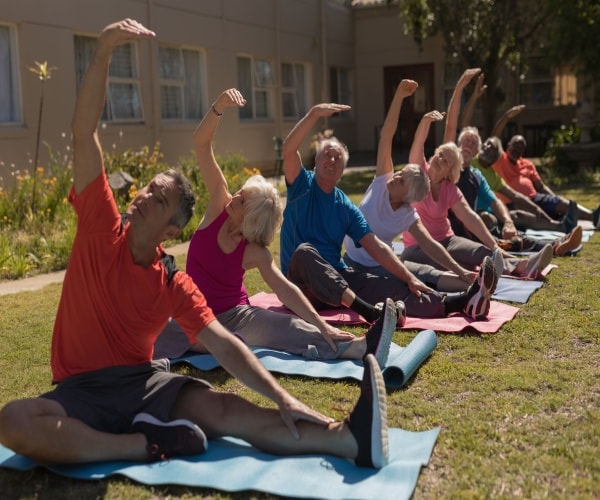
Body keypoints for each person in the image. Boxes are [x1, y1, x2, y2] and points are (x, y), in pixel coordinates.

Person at [0, 19, 394, 470]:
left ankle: (347, 437)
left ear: (172, 230)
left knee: (227, 409)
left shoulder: (173, 281)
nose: (145, 196)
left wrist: (285, 393)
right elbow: (83, 131)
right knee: (14, 419)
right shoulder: (99, 226)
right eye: (148, 189)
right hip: (80, 390)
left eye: (160, 198)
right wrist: (104, 48)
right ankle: (143, 444)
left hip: (144, 382)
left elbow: (226, 344)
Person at [154, 88, 397, 368]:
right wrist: (219, 106)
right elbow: (201, 144)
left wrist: (322, 325)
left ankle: (359, 347)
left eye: (242, 200)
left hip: (235, 316)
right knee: (150, 328)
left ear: (252, 220)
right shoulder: (219, 204)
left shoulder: (254, 251)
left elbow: (285, 290)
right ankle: (208, 344)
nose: (234, 197)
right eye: (240, 192)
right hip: (192, 313)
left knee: (285, 326)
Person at [280, 100, 498, 323]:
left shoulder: (345, 206)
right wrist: (314, 114)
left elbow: (377, 247)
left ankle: (461, 302)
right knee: (305, 252)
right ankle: (369, 311)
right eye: (327, 154)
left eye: (338, 158)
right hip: (299, 286)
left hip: (337, 280)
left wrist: (409, 278)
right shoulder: (301, 186)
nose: (332, 160)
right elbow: (288, 149)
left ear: (342, 171)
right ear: (316, 160)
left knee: (391, 284)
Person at [342, 78, 478, 293]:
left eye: (402, 179)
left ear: (408, 198)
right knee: (402, 283)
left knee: (419, 274)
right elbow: (387, 135)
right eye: (400, 172)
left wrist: (460, 270)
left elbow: (431, 245)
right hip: (352, 264)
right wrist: (398, 97)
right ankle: (460, 293)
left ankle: (472, 288)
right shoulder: (381, 182)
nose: (395, 176)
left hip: (382, 265)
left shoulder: (408, 215)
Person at [400, 107, 553, 280]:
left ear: (450, 172)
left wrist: (494, 246)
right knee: (458, 262)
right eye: (440, 155)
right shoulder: (420, 172)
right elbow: (417, 145)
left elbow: (470, 217)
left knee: (482, 252)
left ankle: (523, 266)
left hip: (447, 240)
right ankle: (514, 265)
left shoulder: (450, 188)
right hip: (418, 247)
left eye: (446, 161)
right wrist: (425, 122)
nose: (440, 160)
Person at [456, 128, 583, 257]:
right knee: (489, 220)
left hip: (483, 220)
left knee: (514, 230)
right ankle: (553, 244)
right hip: (467, 224)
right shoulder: (450, 165)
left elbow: (497, 200)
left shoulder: (478, 175)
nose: (470, 145)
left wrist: (509, 222)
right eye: (467, 141)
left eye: (473, 143)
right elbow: (453, 127)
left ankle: (556, 243)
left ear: (477, 150)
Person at [493, 134, 600, 229]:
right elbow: (494, 136)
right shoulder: (501, 160)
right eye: (515, 146)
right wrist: (506, 117)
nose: (517, 150)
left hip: (535, 198)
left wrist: (554, 198)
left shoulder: (528, 164)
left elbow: (540, 186)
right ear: (508, 146)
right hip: (515, 202)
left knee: (560, 202)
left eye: (521, 148)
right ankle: (558, 225)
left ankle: (593, 216)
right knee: (527, 213)